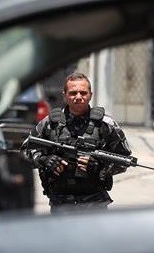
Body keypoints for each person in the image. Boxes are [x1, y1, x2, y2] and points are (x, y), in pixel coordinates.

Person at [25, 72, 132, 211]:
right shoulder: (49, 124)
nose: (78, 97)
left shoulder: (106, 124)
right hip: (61, 203)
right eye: (73, 93)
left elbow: (124, 160)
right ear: (64, 95)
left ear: (91, 95)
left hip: (95, 203)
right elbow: (25, 153)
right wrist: (44, 160)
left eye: (83, 93)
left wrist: (100, 167)